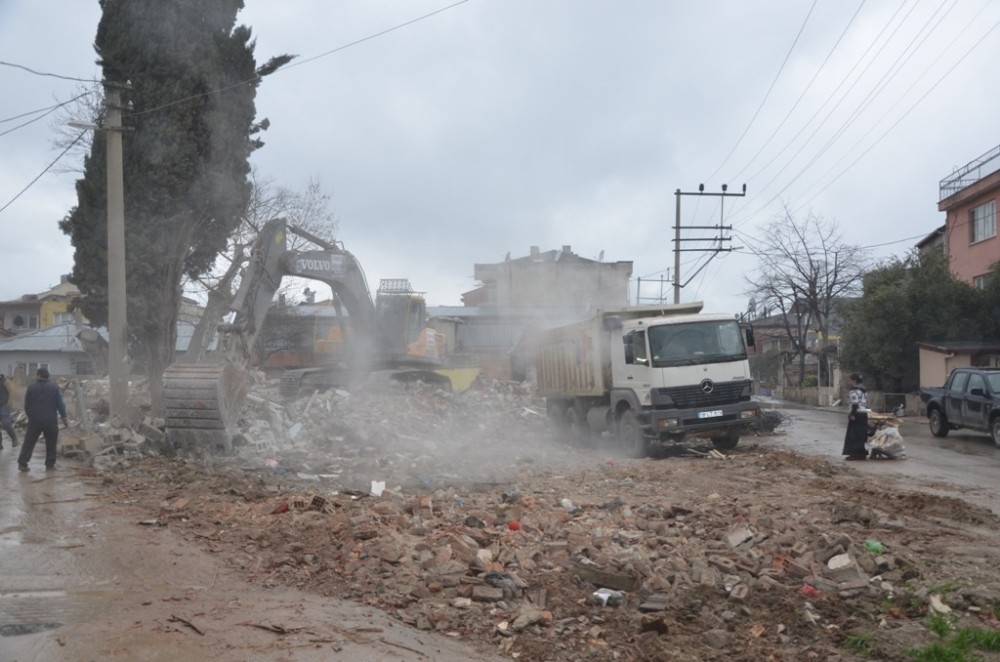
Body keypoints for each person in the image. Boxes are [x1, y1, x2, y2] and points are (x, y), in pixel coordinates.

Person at [17, 368, 68, 472]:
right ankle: (50, 464)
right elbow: (60, 404)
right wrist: (64, 418)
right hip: (50, 421)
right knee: (51, 443)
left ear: (39, 375)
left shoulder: (31, 387)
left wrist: (31, 416)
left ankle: (23, 463)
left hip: (35, 421)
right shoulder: (54, 387)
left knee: (29, 442)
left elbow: (27, 405)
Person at [842, 372, 869, 461]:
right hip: (863, 414)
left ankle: (855, 454)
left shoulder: (854, 391)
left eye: (850, 380)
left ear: (854, 381)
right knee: (861, 435)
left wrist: (852, 414)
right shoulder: (863, 390)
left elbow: (855, 404)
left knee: (853, 435)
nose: (848, 382)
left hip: (856, 414)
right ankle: (862, 454)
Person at [0, 374, 19, 449]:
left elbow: (12, 393)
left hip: (4, 405)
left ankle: (14, 438)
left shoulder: (6, 382)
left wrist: (11, 404)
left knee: (6, 423)